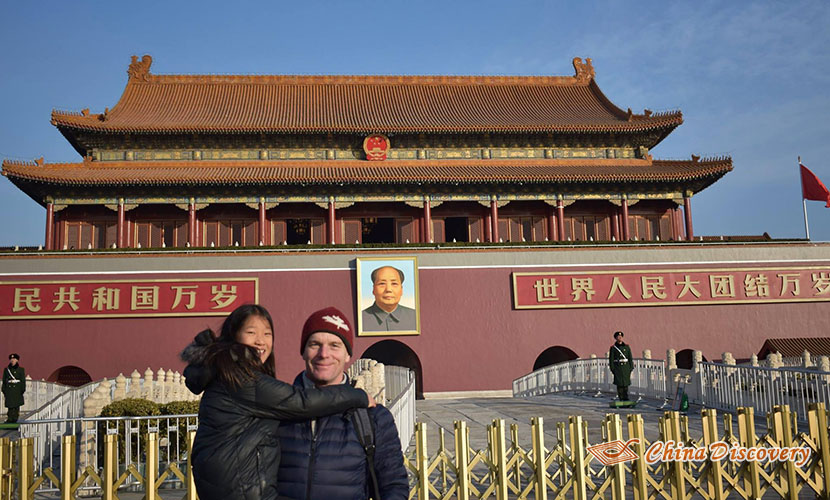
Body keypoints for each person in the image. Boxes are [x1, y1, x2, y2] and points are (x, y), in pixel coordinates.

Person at [181, 304, 374, 500]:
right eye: (251, 332)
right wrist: (357, 395)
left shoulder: (231, 374)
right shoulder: (240, 379)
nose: (260, 341)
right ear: (233, 336)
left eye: (267, 334)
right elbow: (301, 402)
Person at [277, 306, 409, 500]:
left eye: (334, 345)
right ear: (303, 352)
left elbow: (393, 486)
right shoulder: (278, 410)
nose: (324, 354)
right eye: (314, 344)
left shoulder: (372, 417)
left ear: (348, 355)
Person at [361, 265, 417, 332]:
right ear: (373, 289)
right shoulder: (361, 319)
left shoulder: (416, 317)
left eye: (394, 283)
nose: (388, 289)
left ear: (401, 290)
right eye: (382, 283)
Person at [608, 331, 634, 401]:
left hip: (625, 367)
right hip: (618, 367)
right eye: (618, 336)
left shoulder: (627, 347)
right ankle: (621, 397)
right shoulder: (613, 348)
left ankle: (626, 397)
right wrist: (612, 369)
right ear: (616, 338)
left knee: (625, 383)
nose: (620, 337)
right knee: (619, 384)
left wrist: (631, 367)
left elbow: (630, 357)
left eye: (621, 336)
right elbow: (611, 359)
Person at [2, 354, 25, 423]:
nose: (12, 360)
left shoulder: (21, 370)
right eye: (11, 359)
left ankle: (15, 419)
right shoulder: (7, 370)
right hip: (9, 389)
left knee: (16, 406)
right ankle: (10, 418)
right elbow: (4, 380)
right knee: (10, 406)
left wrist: (22, 389)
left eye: (14, 359)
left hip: (17, 389)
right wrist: (4, 389)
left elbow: (22, 380)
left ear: (17, 360)